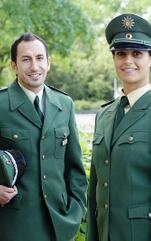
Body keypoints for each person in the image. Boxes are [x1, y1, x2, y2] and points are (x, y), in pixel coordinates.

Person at [86, 14, 151, 241]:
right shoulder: (104, 114)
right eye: (121, 54)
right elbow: (95, 190)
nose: (128, 61)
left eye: (137, 54)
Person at [0, 33, 87, 241]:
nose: (34, 66)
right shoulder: (1, 105)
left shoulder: (64, 104)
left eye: (40, 58)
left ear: (49, 62)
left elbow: (75, 169)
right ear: (14, 66)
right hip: (14, 228)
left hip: (59, 227)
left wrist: (75, 213)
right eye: (26, 59)